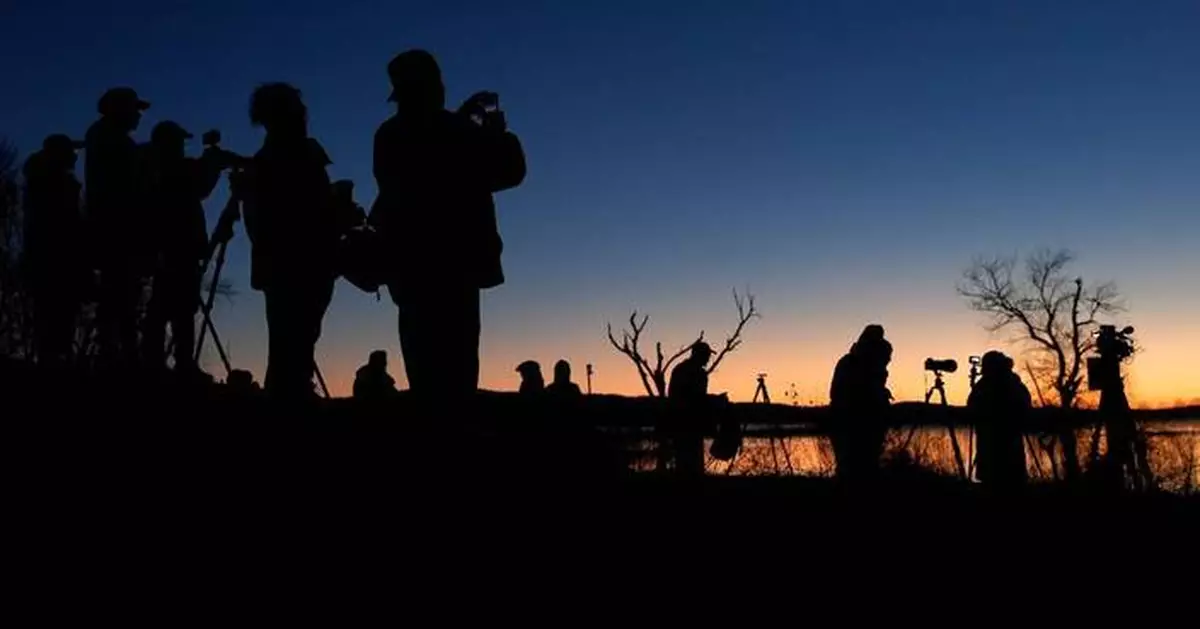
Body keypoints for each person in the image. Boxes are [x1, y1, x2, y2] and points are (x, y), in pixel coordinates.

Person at [371, 49, 526, 407]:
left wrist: (461, 120)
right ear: (434, 87)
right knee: (457, 378)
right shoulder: (457, 133)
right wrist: (497, 135)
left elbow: (423, 163)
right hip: (457, 268)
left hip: (408, 269)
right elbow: (508, 172)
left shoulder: (389, 135)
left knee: (422, 373)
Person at [241, 83, 339, 402]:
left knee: (296, 336)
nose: (303, 113)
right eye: (296, 106)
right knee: (293, 337)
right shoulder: (285, 156)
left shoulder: (272, 158)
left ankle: (291, 392)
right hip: (297, 261)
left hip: (294, 261)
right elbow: (295, 212)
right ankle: (290, 398)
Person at [139, 121, 226, 374]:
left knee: (173, 305)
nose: (182, 147)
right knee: (176, 306)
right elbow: (201, 185)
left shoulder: (158, 169)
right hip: (176, 246)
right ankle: (174, 362)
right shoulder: (168, 171)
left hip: (172, 247)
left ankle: (165, 360)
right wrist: (213, 160)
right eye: (178, 142)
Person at [84, 87, 152, 370]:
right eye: (134, 109)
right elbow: (127, 184)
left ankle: (119, 353)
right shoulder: (109, 139)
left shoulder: (105, 137)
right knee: (119, 295)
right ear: (119, 110)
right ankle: (116, 355)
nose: (138, 115)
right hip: (118, 230)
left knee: (122, 295)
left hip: (116, 229)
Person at [22, 134, 87, 368]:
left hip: (50, 258)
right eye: (72, 152)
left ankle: (54, 358)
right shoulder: (52, 184)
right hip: (55, 260)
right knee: (55, 312)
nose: (75, 157)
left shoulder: (43, 181)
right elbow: (65, 226)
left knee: (56, 313)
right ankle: (53, 362)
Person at [828, 324, 894, 484]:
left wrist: (881, 394)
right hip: (851, 420)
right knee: (853, 466)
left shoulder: (860, 361)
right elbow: (842, 393)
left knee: (863, 466)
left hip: (858, 420)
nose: (887, 362)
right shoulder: (853, 363)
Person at [967, 351, 1032, 489]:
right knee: (1014, 482)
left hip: (991, 445)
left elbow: (972, 406)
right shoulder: (1015, 383)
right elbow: (1025, 407)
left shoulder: (986, 384)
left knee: (993, 483)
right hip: (1011, 445)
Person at [666, 341, 714, 477]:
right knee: (690, 465)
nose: (708, 358)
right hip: (687, 424)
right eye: (707, 355)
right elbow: (695, 398)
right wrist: (714, 401)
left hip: (683, 423)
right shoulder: (696, 373)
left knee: (685, 464)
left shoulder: (680, 369)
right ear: (699, 355)